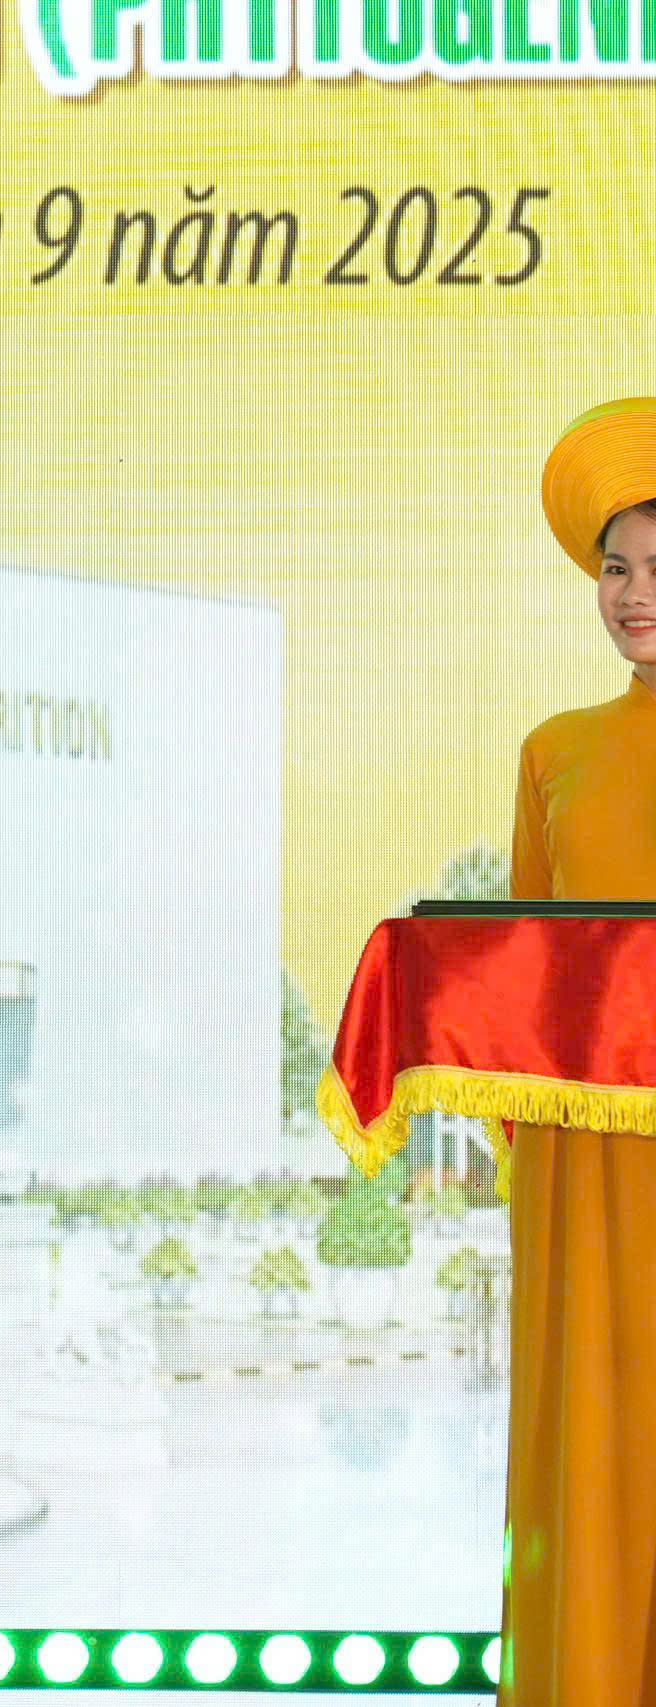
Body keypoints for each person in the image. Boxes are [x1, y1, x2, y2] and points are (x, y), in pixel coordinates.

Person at [501, 397, 656, 1705]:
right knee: (603, 1439)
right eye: (616, 567)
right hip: (595, 1171)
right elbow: (523, 972)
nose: (634, 593)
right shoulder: (556, 751)